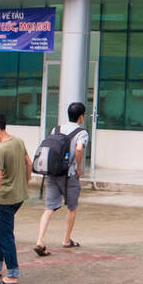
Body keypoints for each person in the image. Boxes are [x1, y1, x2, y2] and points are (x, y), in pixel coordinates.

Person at [34, 102, 89, 256]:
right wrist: (78, 167)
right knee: (72, 207)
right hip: (68, 175)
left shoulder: (55, 129)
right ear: (81, 117)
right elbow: (79, 149)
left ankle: (40, 240)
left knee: (49, 208)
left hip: (52, 172)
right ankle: (66, 240)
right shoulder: (81, 133)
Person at [0, 113, 30, 284]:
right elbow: (29, 163)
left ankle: (12, 273)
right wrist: (24, 184)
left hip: (5, 199)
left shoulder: (0, 150)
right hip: (18, 196)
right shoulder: (18, 141)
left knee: (5, 234)